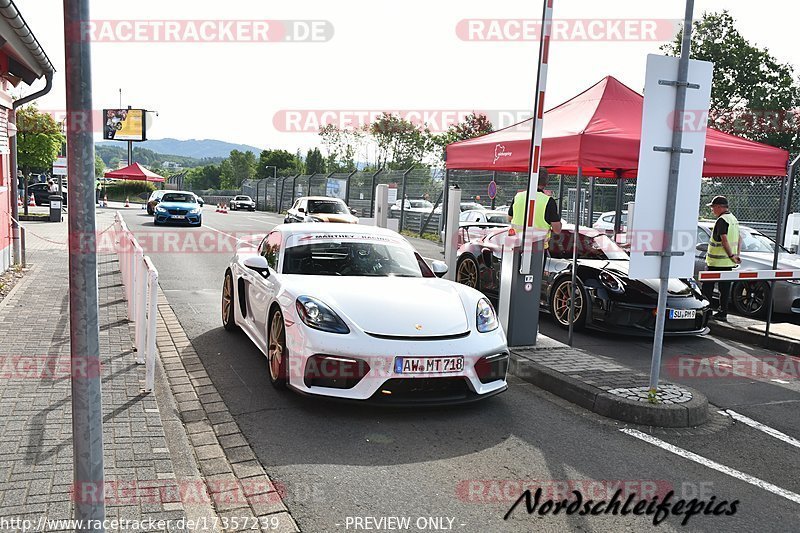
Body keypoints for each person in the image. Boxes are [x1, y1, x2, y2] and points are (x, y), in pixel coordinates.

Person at [701, 195, 742, 321]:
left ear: (719, 207)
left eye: (713, 207)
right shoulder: (733, 219)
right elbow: (740, 238)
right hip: (728, 263)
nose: (712, 210)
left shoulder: (722, 220)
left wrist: (731, 255)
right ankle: (723, 313)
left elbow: (724, 240)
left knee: (707, 288)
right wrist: (736, 255)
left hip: (716, 262)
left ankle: (706, 313)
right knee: (725, 289)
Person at [508, 168, 562, 245]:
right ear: (546, 182)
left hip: (516, 245)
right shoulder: (549, 201)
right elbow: (557, 230)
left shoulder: (518, 197)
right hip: (537, 248)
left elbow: (509, 218)